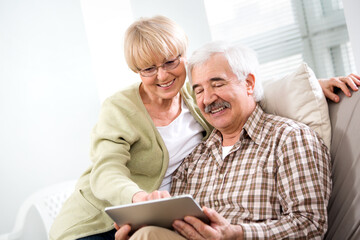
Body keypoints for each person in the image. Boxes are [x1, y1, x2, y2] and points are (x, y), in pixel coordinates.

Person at [50, 15, 359, 240]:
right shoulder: (125, 110)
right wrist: (138, 204)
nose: (162, 76)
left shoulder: (200, 98)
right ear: (136, 71)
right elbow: (107, 171)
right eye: (148, 69)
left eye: (170, 62)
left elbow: (241, 86)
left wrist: (311, 86)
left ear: (182, 57)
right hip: (99, 218)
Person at [115, 41, 332, 240]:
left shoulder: (290, 139)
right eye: (198, 90)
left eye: (217, 84)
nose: (207, 99)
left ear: (248, 83)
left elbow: (311, 223)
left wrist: (237, 234)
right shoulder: (195, 158)